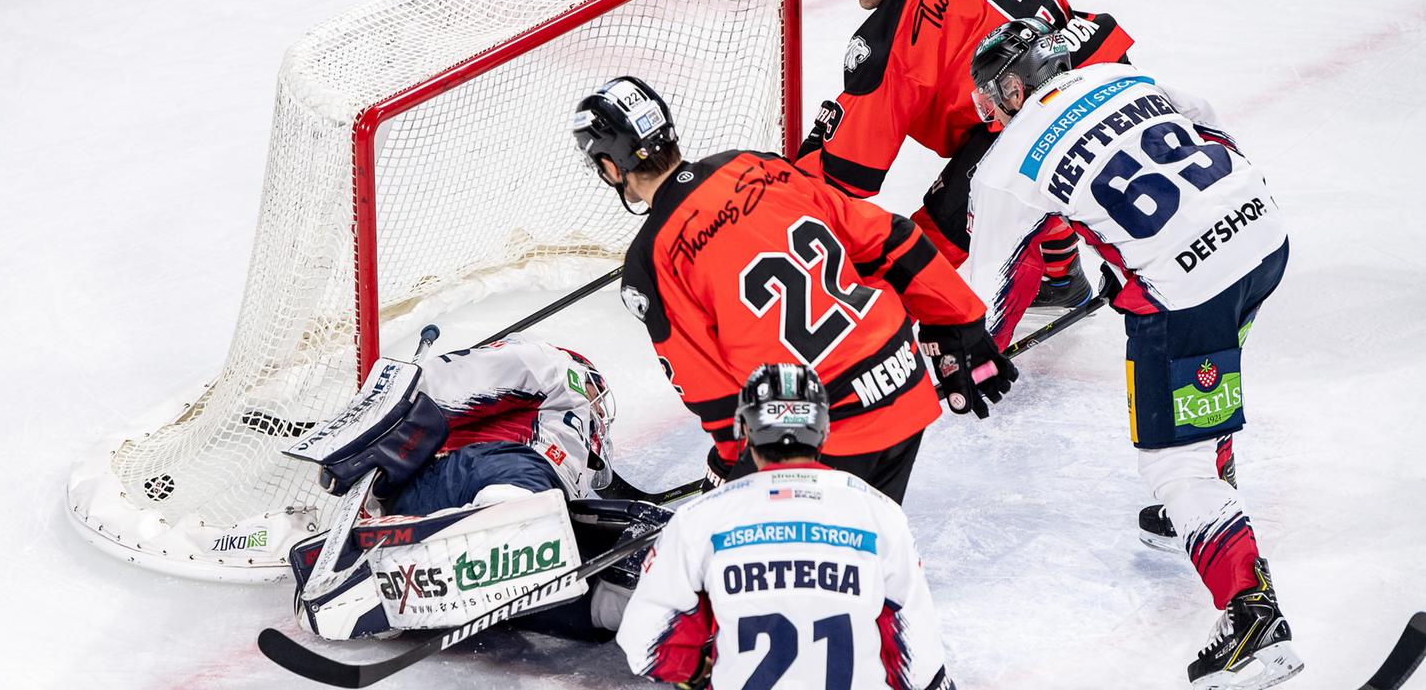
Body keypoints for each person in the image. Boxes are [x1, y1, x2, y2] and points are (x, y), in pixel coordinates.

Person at [963, 18, 1301, 688]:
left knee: (1174, 463)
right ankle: (1211, 501)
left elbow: (988, 298)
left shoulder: (1006, 164)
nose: (989, 110)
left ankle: (1253, 621)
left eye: (990, 95)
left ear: (1010, 85)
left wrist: (976, 360)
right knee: (1208, 371)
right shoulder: (1119, 76)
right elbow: (1213, 132)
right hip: (1262, 234)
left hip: (1188, 291)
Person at [571, 75, 1016, 504]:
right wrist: (961, 321)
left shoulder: (650, 261)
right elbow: (889, 238)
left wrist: (733, 463)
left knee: (793, 567)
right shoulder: (755, 165)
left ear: (611, 167)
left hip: (820, 428)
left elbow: (707, 385)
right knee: (869, 541)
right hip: (900, 376)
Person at [794, 0, 1136, 309]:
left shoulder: (892, 43)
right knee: (1017, 163)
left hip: (1049, 113)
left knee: (944, 224)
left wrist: (789, 187)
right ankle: (1063, 275)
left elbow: (849, 171)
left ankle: (870, 326)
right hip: (1105, 70)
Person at [287, 334, 667, 642]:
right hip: (464, 479)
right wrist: (380, 425)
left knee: (565, 569)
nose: (601, 419)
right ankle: (500, 525)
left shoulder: (574, 469)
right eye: (599, 411)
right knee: (522, 480)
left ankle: (617, 604)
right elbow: (456, 377)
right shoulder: (554, 368)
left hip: (484, 520)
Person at [617, 363, 957, 690]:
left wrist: (695, 673)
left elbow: (645, 642)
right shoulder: (880, 515)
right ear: (823, 430)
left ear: (746, 431)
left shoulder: (699, 520)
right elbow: (919, 661)